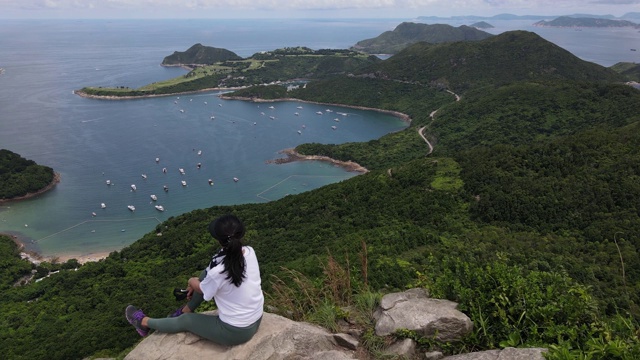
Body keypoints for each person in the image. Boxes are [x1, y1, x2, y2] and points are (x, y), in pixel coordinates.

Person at [125, 214, 264, 346]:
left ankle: (142, 323)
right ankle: (185, 310)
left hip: (236, 332)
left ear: (218, 240)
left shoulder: (218, 271)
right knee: (204, 276)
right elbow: (209, 277)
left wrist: (191, 281)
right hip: (257, 318)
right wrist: (199, 280)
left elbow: (204, 289)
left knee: (185, 321)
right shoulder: (249, 251)